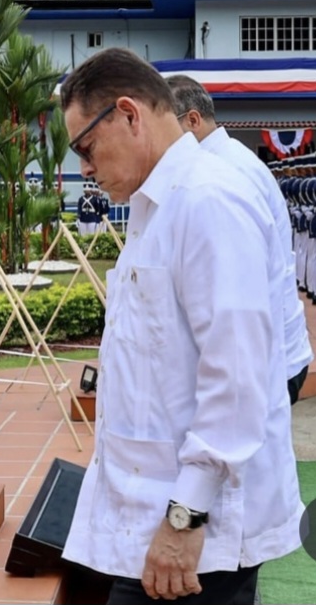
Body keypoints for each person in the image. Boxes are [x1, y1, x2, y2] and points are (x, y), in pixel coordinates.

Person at [60, 47, 302, 605]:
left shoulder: (207, 200)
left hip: (198, 532)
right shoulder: (159, 205)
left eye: (85, 148)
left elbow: (236, 378)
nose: (85, 169)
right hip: (162, 514)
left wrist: (185, 516)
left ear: (128, 114)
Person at [167, 73, 312, 404]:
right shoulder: (220, 162)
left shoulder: (226, 173)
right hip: (264, 355)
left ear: (192, 121)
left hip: (264, 362)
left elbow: (238, 281)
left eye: (165, 125)